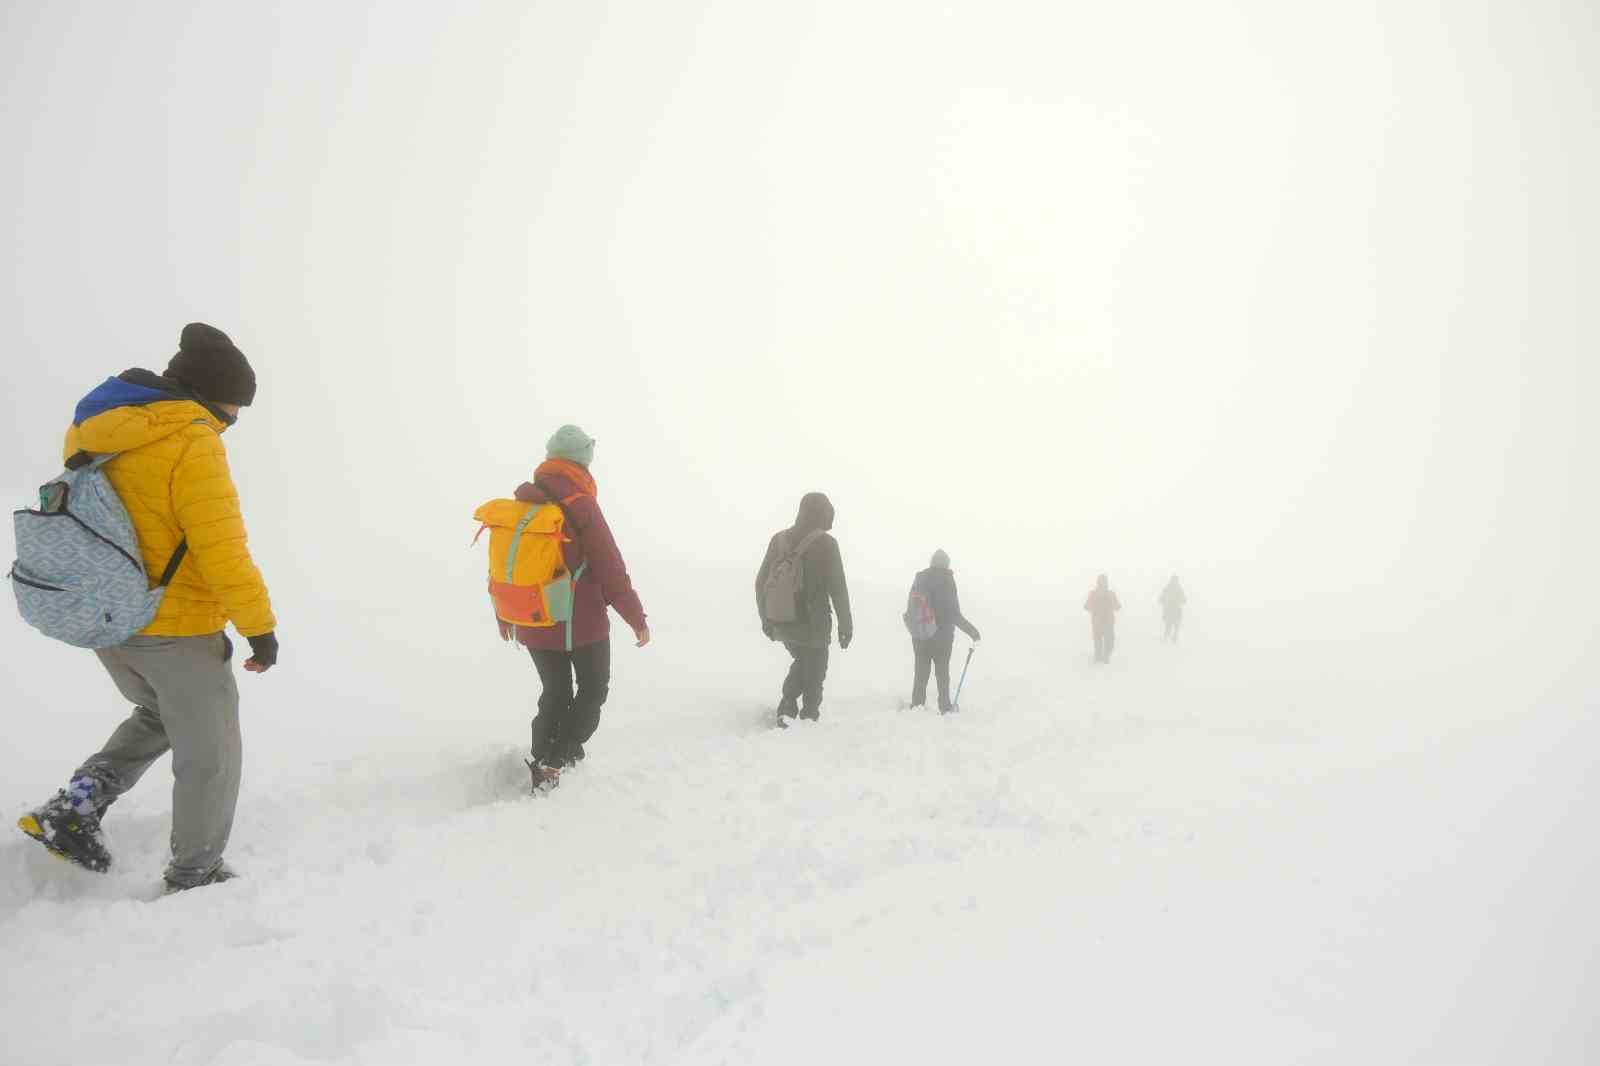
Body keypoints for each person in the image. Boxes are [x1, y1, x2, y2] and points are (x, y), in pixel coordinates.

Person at [17, 323, 278, 893]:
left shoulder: (98, 432)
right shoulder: (192, 440)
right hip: (176, 627)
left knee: (159, 716)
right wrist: (259, 627)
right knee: (211, 754)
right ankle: (196, 872)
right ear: (212, 393)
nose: (236, 415)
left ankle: (75, 806)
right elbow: (220, 546)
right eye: (236, 402)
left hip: (109, 619)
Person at [506, 425, 649, 784]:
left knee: (554, 690)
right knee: (592, 689)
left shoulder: (525, 502)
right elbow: (609, 566)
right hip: (579, 623)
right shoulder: (580, 502)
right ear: (582, 461)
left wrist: (504, 613)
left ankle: (546, 755)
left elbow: (504, 566)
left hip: (533, 618)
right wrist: (635, 617)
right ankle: (556, 759)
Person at [756, 492, 853, 725]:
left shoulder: (778, 540)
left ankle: (788, 708)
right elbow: (838, 588)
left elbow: (761, 582)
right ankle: (806, 715)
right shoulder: (827, 544)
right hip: (814, 624)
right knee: (815, 669)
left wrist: (765, 619)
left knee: (802, 661)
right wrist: (846, 625)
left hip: (782, 620)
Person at [907, 550, 981, 713]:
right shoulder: (947, 580)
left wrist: (914, 628)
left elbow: (911, 609)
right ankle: (945, 707)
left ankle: (917, 705)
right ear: (946, 564)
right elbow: (954, 613)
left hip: (920, 635)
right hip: (942, 638)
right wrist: (973, 632)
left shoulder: (920, 578)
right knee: (942, 674)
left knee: (921, 672)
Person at [1084, 573, 1120, 664]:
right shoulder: (1110, 594)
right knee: (1109, 641)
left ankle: (1099, 657)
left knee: (1098, 641)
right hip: (1107, 622)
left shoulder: (1093, 594)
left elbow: (1087, 606)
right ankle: (1104, 656)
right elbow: (1117, 607)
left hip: (1098, 622)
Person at [1160, 575, 1186, 643]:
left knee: (1170, 626)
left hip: (1171, 610)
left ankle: (1168, 639)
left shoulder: (1169, 588)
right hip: (1173, 611)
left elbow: (1161, 598)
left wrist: (1164, 602)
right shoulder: (1177, 589)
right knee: (1173, 626)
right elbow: (1184, 600)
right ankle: (1170, 639)